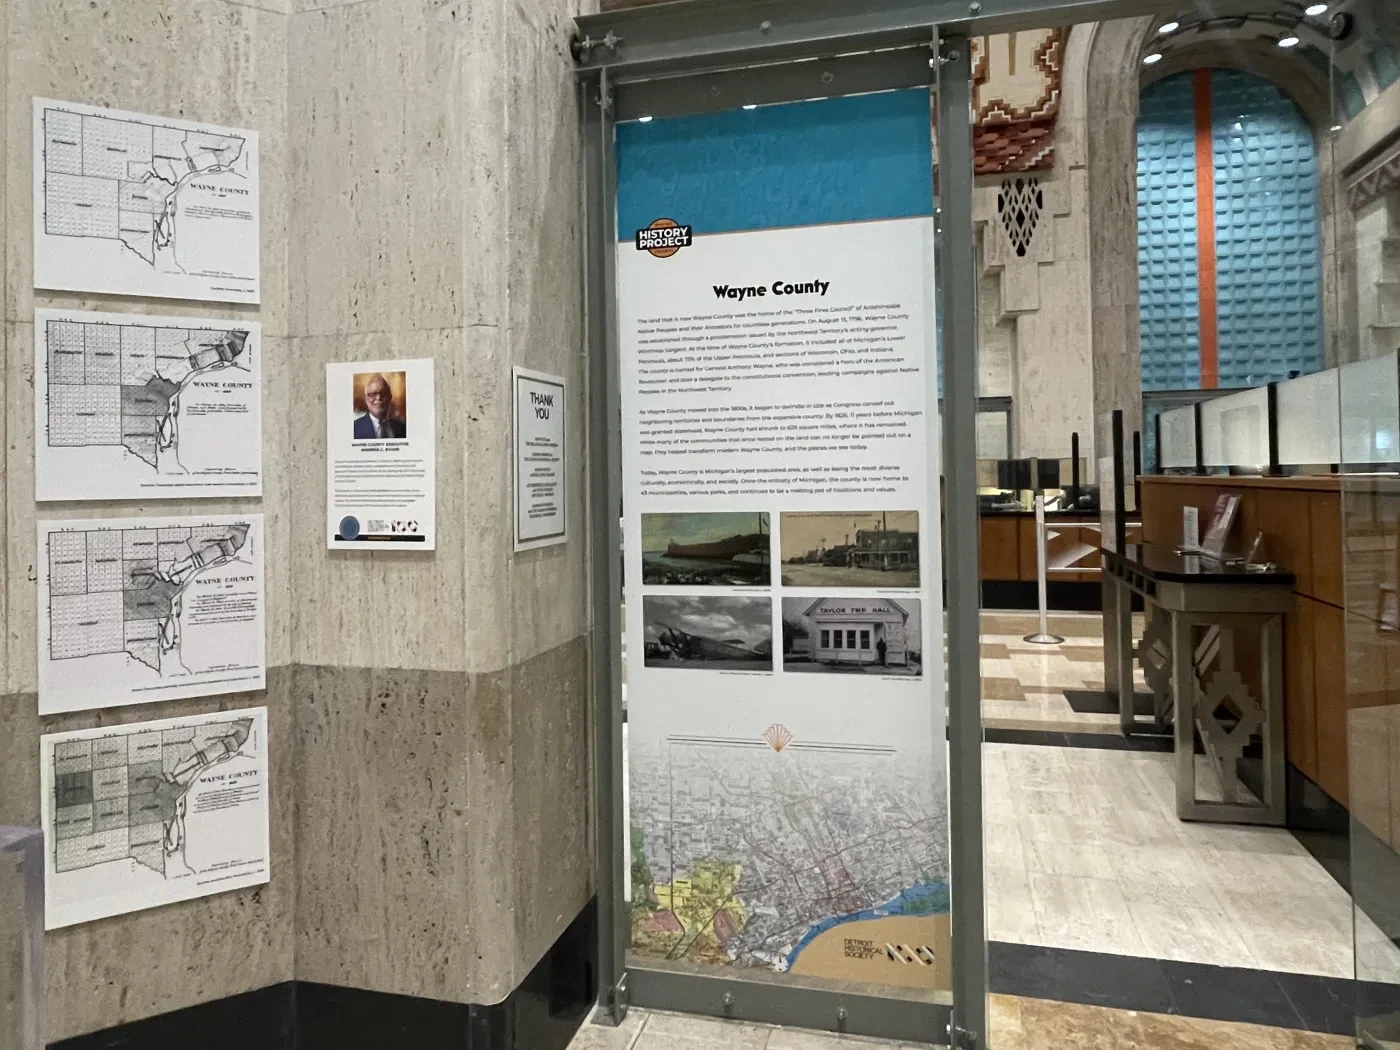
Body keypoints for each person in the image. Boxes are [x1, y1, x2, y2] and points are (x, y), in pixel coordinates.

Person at [354, 374, 407, 439]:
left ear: (390, 398)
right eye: (373, 394)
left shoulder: (402, 428)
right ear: (366, 399)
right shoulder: (354, 428)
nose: (378, 397)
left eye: (383, 393)